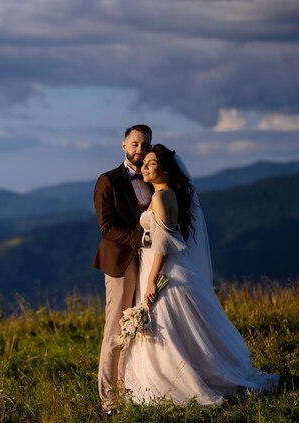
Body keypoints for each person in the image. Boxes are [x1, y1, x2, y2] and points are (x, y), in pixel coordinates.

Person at [122, 144, 279, 405]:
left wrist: (151, 280)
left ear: (165, 170)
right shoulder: (168, 194)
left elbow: (162, 243)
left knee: (166, 328)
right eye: (145, 163)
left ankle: (178, 383)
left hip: (163, 270)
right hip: (173, 268)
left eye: (151, 164)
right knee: (181, 328)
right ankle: (199, 372)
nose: (145, 167)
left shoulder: (160, 198)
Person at [93, 124, 153, 413]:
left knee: (136, 327)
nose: (140, 150)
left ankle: (128, 388)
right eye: (135, 144)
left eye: (144, 145)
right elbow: (106, 228)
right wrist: (141, 239)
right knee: (115, 329)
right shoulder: (108, 180)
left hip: (148, 263)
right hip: (120, 262)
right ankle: (108, 400)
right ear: (124, 145)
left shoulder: (153, 178)